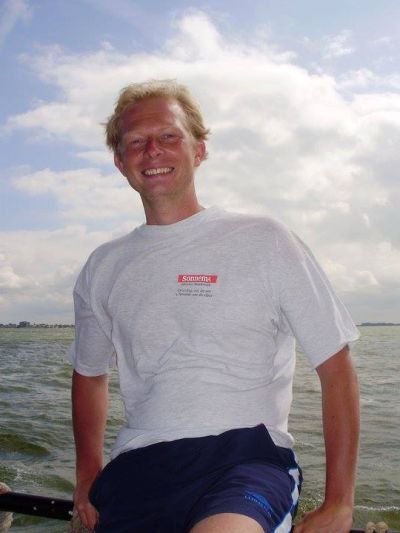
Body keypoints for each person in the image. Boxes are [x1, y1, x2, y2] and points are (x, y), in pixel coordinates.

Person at [69, 79, 360, 533]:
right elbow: (89, 374)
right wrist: (88, 470)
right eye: (136, 142)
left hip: (246, 460)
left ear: (199, 150)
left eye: (169, 136)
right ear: (120, 162)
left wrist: (339, 501)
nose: (152, 151)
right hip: (138, 467)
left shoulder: (265, 240)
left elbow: (335, 365)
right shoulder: (102, 266)